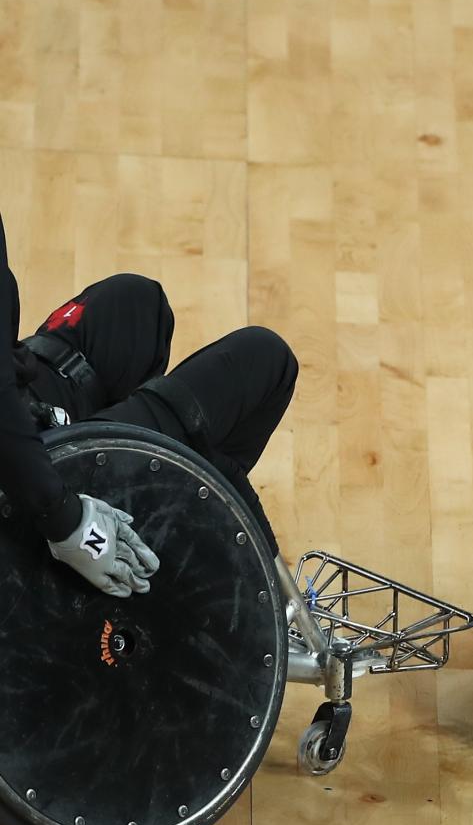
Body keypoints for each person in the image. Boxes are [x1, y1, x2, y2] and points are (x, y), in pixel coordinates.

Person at [1, 212, 297, 597]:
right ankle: (208, 605)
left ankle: (131, 511)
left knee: (137, 305)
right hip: (18, 480)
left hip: (21, 408)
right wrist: (68, 523)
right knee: (266, 360)